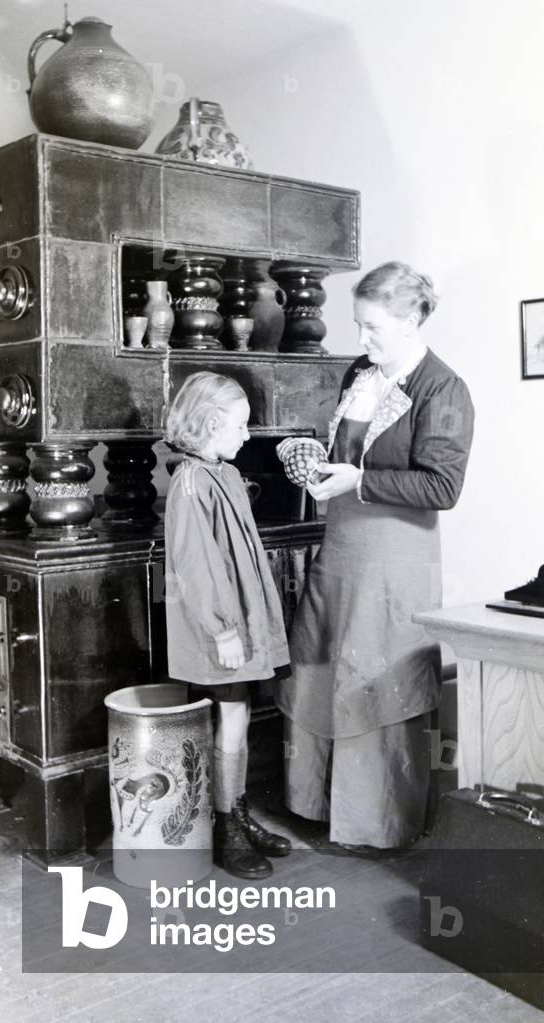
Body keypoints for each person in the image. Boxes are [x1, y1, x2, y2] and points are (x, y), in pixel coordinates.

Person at [276, 261, 475, 850]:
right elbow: (350, 454)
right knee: (321, 658)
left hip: (395, 557)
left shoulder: (443, 389)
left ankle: (375, 821)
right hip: (341, 548)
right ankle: (313, 802)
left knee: (376, 670)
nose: (361, 340)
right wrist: (318, 468)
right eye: (357, 325)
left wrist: (356, 481)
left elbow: (443, 488)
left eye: (374, 328)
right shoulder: (359, 374)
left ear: (412, 320)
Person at [164, 371, 292, 878]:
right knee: (231, 721)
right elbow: (195, 566)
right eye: (240, 425)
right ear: (212, 423)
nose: (247, 434)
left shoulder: (225, 475)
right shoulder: (191, 481)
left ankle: (235, 813)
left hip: (240, 622)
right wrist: (223, 629)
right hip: (219, 630)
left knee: (238, 719)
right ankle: (226, 827)